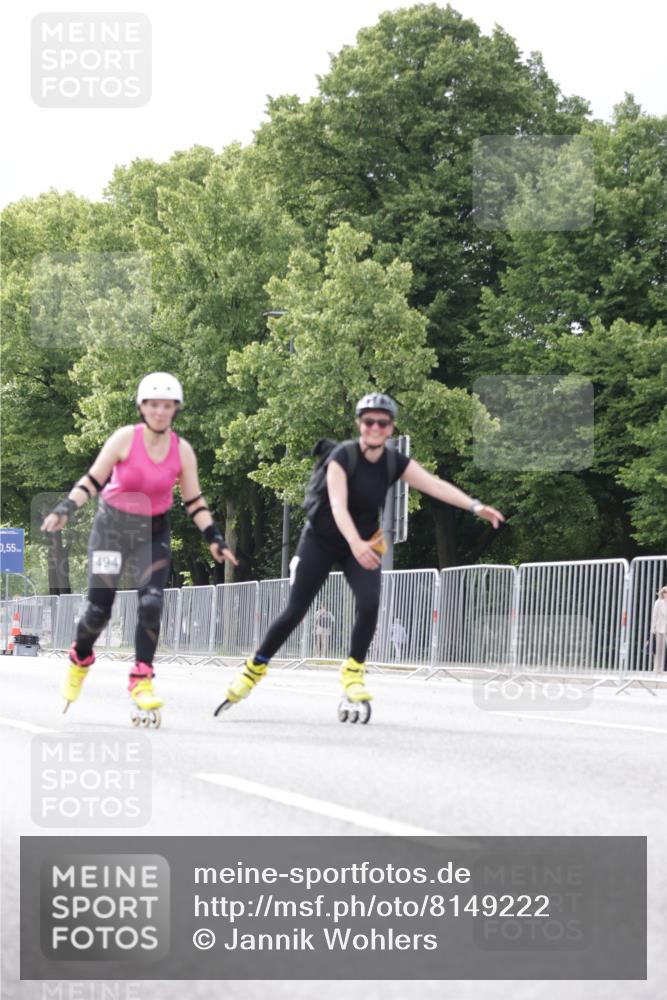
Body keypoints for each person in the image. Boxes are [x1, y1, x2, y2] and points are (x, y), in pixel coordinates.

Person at [218, 392, 504, 713]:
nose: (375, 427)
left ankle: (353, 672)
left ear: (391, 428)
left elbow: (434, 485)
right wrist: (355, 543)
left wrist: (475, 506)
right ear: (360, 424)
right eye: (369, 421)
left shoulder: (393, 462)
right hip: (323, 539)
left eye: (382, 422)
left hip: (364, 542)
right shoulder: (343, 456)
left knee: (369, 604)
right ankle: (253, 670)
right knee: (295, 611)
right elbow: (338, 506)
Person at [41, 372, 238, 715]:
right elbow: (92, 480)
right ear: (142, 407)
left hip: (152, 531)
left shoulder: (182, 451)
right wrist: (66, 508)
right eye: (153, 405)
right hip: (111, 530)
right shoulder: (124, 439)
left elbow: (194, 501)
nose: (160, 412)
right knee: (98, 610)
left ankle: (142, 678)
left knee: (151, 602)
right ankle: (80, 659)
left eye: (167, 406)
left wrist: (215, 538)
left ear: (176, 408)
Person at [651, 585, 667, 674]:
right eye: (665, 592)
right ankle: (656, 667)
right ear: (663, 593)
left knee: (663, 649)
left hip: (666, 628)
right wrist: (653, 628)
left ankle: (661, 667)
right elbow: (654, 616)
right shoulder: (658, 603)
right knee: (658, 649)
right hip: (659, 627)